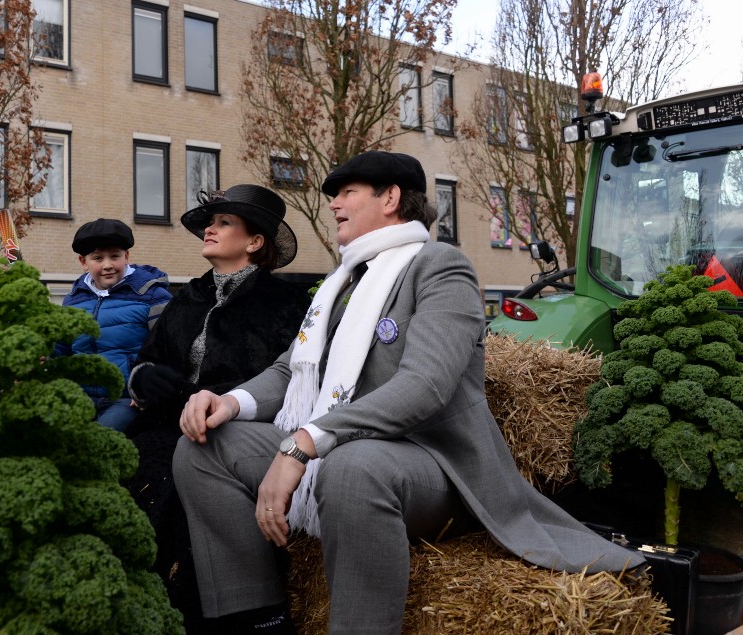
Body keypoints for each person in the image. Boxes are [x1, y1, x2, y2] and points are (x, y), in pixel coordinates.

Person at [173, 151, 645, 634]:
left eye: (346, 192)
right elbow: (290, 370)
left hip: (430, 464)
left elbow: (425, 386)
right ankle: (258, 618)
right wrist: (229, 402)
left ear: (392, 198)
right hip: (343, 448)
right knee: (206, 445)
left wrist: (304, 443)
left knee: (354, 468)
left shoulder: (442, 268)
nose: (333, 203)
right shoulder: (344, 281)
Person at [125, 184, 312, 633]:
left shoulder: (286, 306)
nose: (210, 228)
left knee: (178, 479)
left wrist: (217, 399)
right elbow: (148, 359)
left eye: (224, 222)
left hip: (230, 434)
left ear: (254, 242)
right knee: (130, 468)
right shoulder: (186, 298)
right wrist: (146, 376)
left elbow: (287, 382)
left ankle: (211, 612)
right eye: (211, 221)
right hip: (164, 425)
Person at [58, 217, 172, 432]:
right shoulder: (73, 300)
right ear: (83, 262)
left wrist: (146, 388)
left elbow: (170, 349)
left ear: (126, 256)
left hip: (126, 398)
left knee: (100, 440)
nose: (107, 265)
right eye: (98, 258)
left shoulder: (153, 296)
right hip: (79, 396)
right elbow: (61, 350)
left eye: (115, 256)